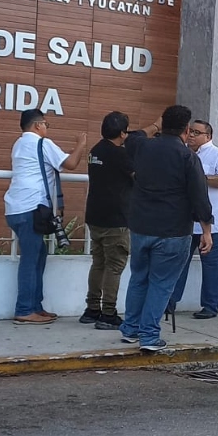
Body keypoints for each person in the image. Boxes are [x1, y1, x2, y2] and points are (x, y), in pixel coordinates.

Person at [119, 105, 214, 352]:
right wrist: (206, 230)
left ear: (163, 125)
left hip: (141, 226)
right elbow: (199, 197)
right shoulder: (188, 157)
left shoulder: (142, 146)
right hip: (173, 230)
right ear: (185, 130)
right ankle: (149, 336)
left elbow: (134, 136)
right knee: (161, 284)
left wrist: (155, 125)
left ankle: (130, 329)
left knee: (139, 278)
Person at [4, 109, 87, 325]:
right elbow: (70, 164)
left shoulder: (18, 144)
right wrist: (80, 144)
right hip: (31, 207)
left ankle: (35, 306)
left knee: (39, 255)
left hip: (15, 208)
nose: (46, 129)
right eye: (46, 125)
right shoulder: (43, 144)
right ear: (38, 125)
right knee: (31, 260)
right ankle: (24, 309)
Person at [170, 120, 218, 319]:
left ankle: (210, 306)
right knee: (178, 263)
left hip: (214, 224)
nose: (191, 135)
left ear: (208, 136)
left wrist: (200, 178)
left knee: (213, 266)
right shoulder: (182, 153)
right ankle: (170, 302)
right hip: (188, 221)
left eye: (196, 132)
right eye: (189, 131)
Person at [80, 111, 140, 328]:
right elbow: (138, 178)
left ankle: (92, 308)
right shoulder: (120, 155)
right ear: (123, 133)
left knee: (98, 264)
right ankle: (108, 313)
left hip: (95, 215)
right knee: (114, 266)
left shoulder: (95, 150)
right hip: (116, 219)